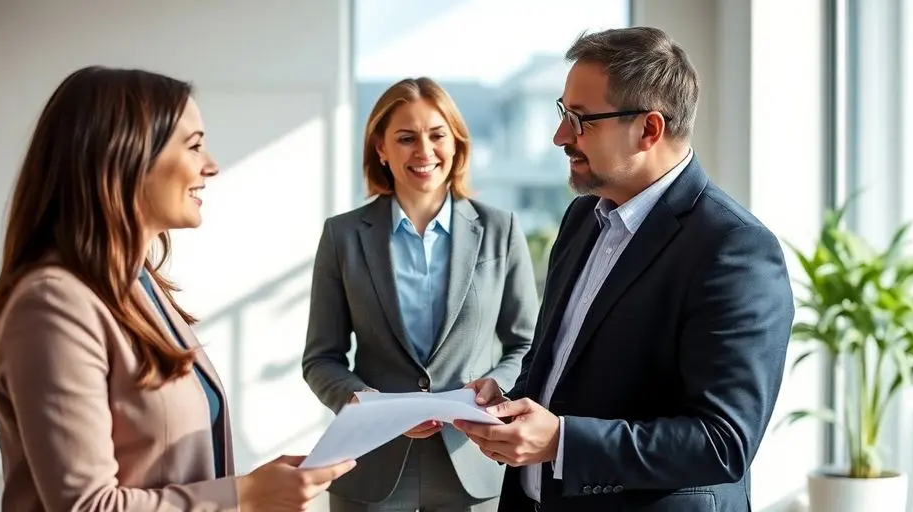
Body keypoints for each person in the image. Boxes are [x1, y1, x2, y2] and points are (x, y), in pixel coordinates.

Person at [0, 66, 355, 512]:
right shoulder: (53, 305)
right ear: (125, 158)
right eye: (193, 146)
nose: (211, 165)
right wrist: (244, 496)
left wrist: (260, 486)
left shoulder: (139, 283)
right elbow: (87, 505)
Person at [454, 27, 795, 511]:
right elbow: (558, 365)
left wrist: (562, 442)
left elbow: (722, 443)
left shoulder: (734, 248)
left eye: (581, 120)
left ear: (649, 129)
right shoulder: (582, 217)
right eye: (562, 113)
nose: (560, 137)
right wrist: (508, 401)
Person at [301, 77, 540, 511]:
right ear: (380, 149)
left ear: (456, 143)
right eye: (406, 138)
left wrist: (497, 386)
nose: (424, 151)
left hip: (475, 460)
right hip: (371, 468)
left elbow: (526, 344)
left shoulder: (500, 229)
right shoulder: (343, 235)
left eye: (436, 135)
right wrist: (365, 405)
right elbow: (321, 358)